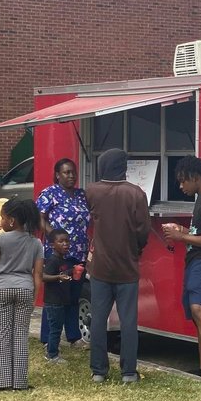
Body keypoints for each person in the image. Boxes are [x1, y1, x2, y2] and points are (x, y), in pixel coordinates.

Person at [83, 148, 149, 383]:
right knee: (128, 320)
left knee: (99, 318)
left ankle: (99, 371)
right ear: (124, 167)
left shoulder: (92, 191)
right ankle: (129, 372)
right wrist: (136, 250)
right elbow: (143, 231)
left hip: (100, 266)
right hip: (127, 267)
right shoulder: (136, 193)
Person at [162, 155, 201, 374]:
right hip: (195, 264)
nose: (181, 185)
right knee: (197, 313)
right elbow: (200, 233)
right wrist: (181, 231)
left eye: (183, 180)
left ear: (196, 177)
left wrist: (181, 238)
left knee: (200, 311)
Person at [0, 196, 44, 391]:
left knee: (3, 334)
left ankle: (2, 382)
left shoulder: (2, 239)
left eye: (3, 217)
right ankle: (20, 383)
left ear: (11, 220)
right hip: (25, 289)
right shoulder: (36, 243)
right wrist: (34, 298)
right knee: (20, 335)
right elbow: (38, 274)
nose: (0, 221)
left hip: (3, 289)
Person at [36, 157, 89, 351]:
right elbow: (38, 217)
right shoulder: (50, 193)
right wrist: (53, 235)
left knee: (74, 295)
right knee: (54, 296)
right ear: (57, 175)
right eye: (66, 172)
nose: (71, 176)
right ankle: (48, 338)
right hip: (56, 254)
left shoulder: (82, 195)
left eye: (73, 172)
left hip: (78, 252)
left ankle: (73, 336)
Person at [41, 228, 83, 363]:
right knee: (55, 329)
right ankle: (52, 355)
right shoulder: (52, 260)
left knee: (57, 328)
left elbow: (65, 272)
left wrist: (73, 271)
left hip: (61, 300)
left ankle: (53, 352)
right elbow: (43, 276)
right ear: (52, 245)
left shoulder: (63, 260)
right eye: (61, 241)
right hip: (53, 302)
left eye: (67, 241)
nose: (66, 244)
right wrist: (58, 277)